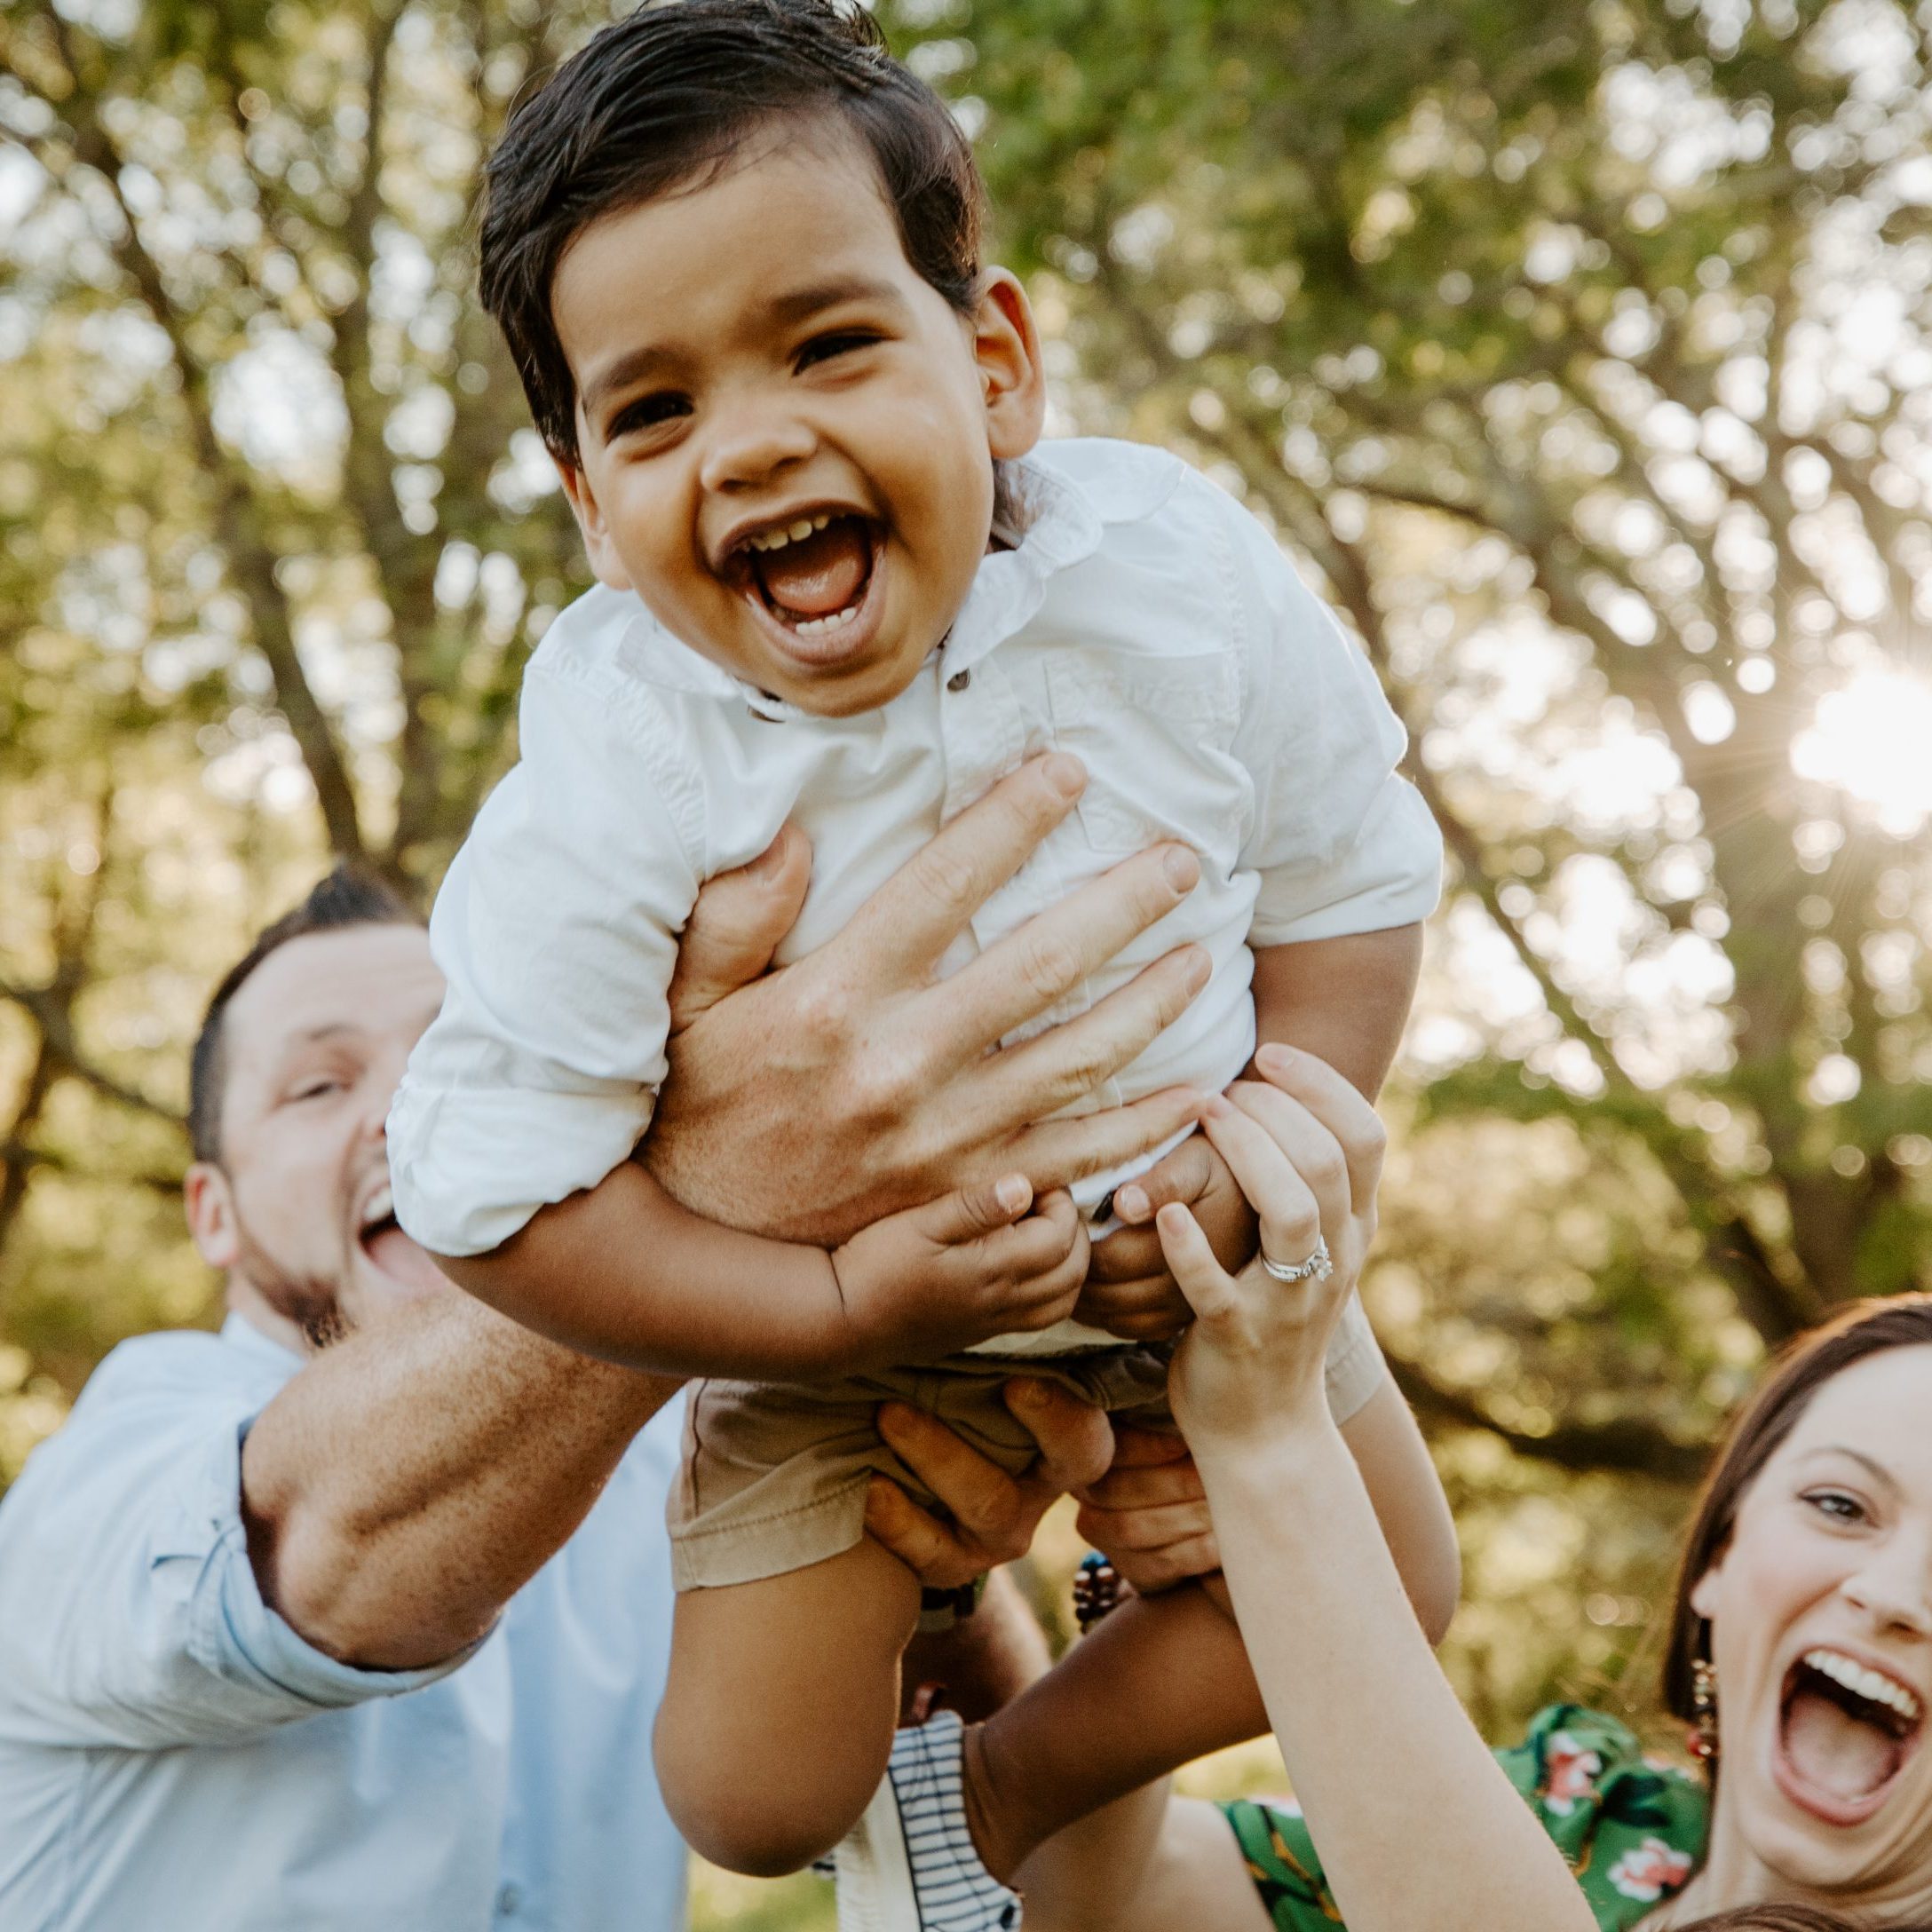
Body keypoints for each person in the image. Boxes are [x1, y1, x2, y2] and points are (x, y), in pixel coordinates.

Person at [384, 0, 1452, 1903]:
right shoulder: (618, 759)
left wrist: (1269, 1125)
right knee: (749, 1790)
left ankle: (1005, 1787)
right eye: (654, 407)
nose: (752, 440)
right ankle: (921, 1689)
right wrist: (830, 1303)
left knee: (1399, 1591)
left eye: (824, 341)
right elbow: (485, 1192)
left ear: (993, 361)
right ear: (592, 515)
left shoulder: (1171, 578)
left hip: (1193, 1278)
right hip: (843, 1324)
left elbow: (1348, 868)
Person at [0, 758, 1231, 1931]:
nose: (406, 1110)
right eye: (319, 1087)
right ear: (209, 1209)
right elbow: (328, 1552)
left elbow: (998, 1863)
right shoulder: (110, 1469)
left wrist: (946, 1592)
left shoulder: (689, 1448)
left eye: (458, 1052)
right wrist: (714, 1199)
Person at [898, 1091, 1932, 1928]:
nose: (1891, 1595)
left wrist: (1273, 1442)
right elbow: (1108, 1902)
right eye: (1839, 1503)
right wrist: (1000, 1573)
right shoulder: (1583, 1811)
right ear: (1720, 1556)